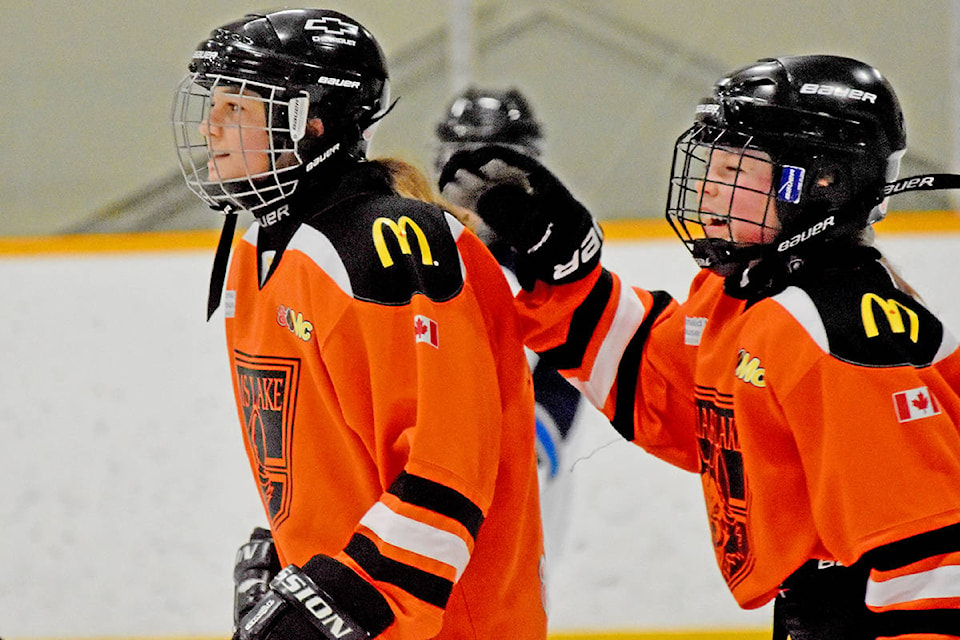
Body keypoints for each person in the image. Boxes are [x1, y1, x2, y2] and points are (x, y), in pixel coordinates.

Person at [439, 55, 960, 638]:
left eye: (738, 166)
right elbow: (681, 403)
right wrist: (569, 283)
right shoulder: (741, 297)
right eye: (713, 159)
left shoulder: (840, 329)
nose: (711, 183)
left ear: (821, 182)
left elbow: (933, 563)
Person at [172, 9, 546, 640]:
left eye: (237, 108)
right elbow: (339, 453)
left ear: (310, 122)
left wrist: (343, 598)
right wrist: (290, 547)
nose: (211, 128)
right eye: (214, 105)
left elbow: (447, 467)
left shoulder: (388, 245)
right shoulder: (256, 254)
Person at [434, 87, 583, 562]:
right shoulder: (418, 253)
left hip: (513, 497)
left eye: (498, 165)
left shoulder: (548, 266)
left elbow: (568, 373)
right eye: (464, 161)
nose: (479, 183)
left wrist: (525, 451)